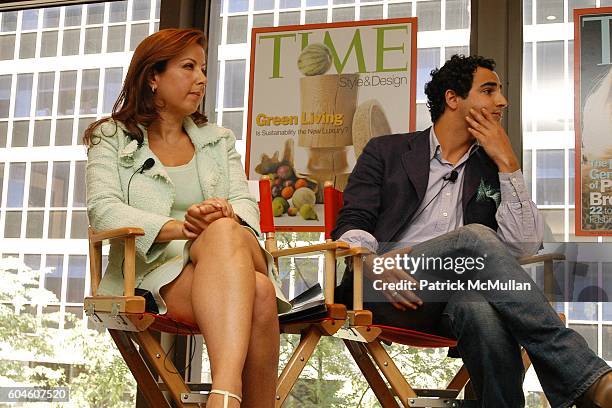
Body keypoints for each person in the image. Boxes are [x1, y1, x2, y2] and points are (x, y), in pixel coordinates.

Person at [332, 55, 612, 407]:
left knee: (479, 307)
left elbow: (524, 246)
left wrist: (509, 165)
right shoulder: (386, 151)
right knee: (476, 236)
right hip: (385, 284)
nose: (502, 102)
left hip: (453, 296)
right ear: (453, 99)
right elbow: (353, 218)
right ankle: (585, 376)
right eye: (489, 90)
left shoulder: (490, 166)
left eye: (500, 92)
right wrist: (372, 263)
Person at [85, 29, 289, 408]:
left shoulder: (218, 139)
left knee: (224, 227)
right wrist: (183, 227)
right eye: (189, 67)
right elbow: (103, 210)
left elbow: (245, 206)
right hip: (160, 270)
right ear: (153, 77)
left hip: (236, 249)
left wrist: (220, 216)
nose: (202, 78)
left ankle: (224, 392)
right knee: (260, 294)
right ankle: (230, 395)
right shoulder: (110, 137)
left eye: (203, 68)